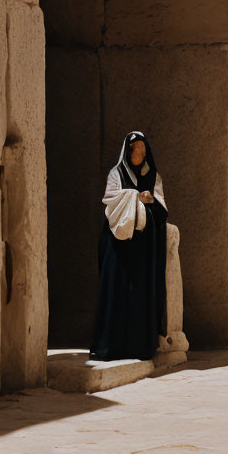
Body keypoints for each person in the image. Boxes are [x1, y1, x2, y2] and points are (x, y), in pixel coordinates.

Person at [90, 131, 168, 361]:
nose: (139, 154)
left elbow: (162, 209)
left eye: (143, 151)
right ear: (127, 150)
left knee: (140, 295)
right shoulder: (117, 174)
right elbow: (110, 201)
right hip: (119, 246)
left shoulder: (153, 176)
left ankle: (139, 347)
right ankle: (110, 347)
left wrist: (150, 200)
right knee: (116, 292)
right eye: (135, 149)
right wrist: (136, 197)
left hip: (143, 248)